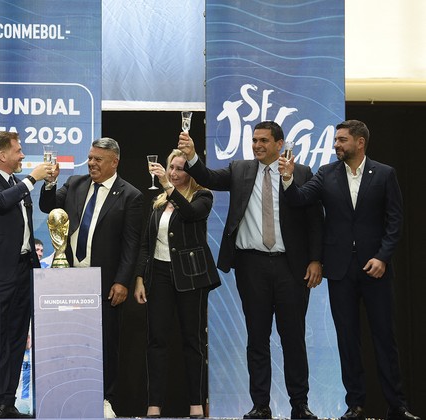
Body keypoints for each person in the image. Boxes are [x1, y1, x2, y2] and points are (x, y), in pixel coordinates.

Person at [178, 121, 323, 419]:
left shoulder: (303, 173)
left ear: (279, 144)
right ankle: (260, 405)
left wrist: (315, 260)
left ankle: (300, 405)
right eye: (254, 140)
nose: (257, 145)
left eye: (264, 141)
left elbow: (315, 221)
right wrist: (191, 156)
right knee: (257, 338)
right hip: (251, 265)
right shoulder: (240, 169)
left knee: (293, 338)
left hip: (291, 267)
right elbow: (207, 177)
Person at [279, 120, 420, 420]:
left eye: (342, 140)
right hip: (341, 271)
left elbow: (395, 221)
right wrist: (289, 179)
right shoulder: (326, 174)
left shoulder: (384, 174)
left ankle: (397, 405)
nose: (336, 145)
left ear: (360, 142)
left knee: (385, 337)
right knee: (347, 339)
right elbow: (300, 199)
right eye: (335, 140)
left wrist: (383, 257)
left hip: (376, 269)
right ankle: (355, 404)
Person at [39, 137, 144, 418]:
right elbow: (49, 208)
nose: (92, 163)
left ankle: (105, 399)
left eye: (98, 159)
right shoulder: (75, 184)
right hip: (70, 277)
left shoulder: (130, 195)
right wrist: (49, 184)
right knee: (69, 338)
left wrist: (122, 281)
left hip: (105, 281)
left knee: (106, 341)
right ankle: (65, 392)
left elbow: (131, 244)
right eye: (90, 157)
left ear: (114, 162)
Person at [0, 130, 51, 419]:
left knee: (16, 338)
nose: (23, 155)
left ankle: (7, 402)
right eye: (18, 150)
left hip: (23, 269)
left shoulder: (16, 182)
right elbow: (1, 201)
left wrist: (45, 183)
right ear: (2, 155)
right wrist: (33, 178)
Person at [133, 149, 221, 418]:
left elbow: (192, 214)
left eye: (180, 168)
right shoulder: (159, 201)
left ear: (191, 172)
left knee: (193, 340)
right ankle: (154, 405)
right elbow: (146, 243)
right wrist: (139, 277)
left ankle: (196, 403)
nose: (173, 172)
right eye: (171, 167)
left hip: (191, 276)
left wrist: (169, 187)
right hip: (158, 274)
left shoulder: (203, 196)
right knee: (156, 340)